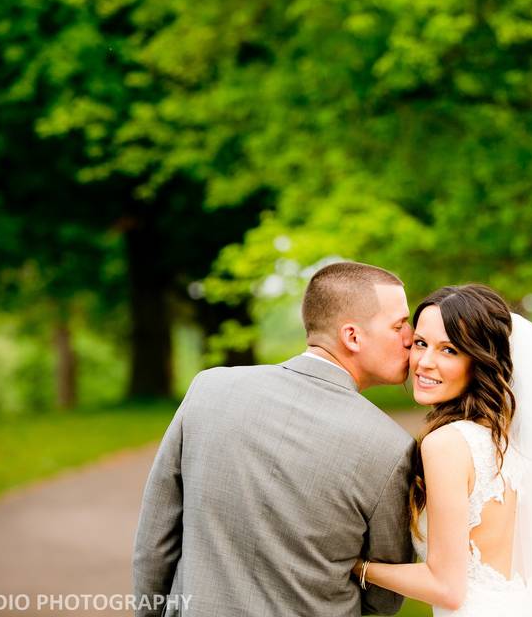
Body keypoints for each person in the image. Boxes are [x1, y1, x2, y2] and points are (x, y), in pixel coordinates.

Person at [133, 261, 417, 617]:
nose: (410, 337)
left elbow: (155, 543)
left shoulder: (210, 389)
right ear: (352, 336)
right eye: (399, 324)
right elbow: (384, 594)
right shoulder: (391, 447)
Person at [353, 284, 532, 616]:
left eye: (449, 350)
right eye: (420, 343)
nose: (425, 362)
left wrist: (358, 567)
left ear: (480, 361)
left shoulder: (446, 444)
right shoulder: (500, 439)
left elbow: (446, 587)